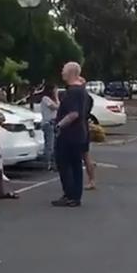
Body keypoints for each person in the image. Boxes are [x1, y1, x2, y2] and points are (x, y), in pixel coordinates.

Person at [53, 62, 91, 207]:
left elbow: (73, 113)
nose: (61, 72)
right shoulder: (82, 91)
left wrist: (59, 125)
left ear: (71, 73)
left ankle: (70, 195)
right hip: (80, 133)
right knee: (75, 165)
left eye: (63, 70)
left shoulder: (73, 92)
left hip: (69, 135)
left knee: (65, 164)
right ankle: (75, 196)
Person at [38, 83, 60, 171]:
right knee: (49, 145)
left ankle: (54, 164)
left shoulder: (53, 99)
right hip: (48, 123)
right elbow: (54, 107)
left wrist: (56, 97)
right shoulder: (45, 99)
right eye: (55, 89)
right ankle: (47, 164)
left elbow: (59, 106)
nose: (56, 91)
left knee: (55, 145)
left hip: (54, 123)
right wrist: (56, 96)